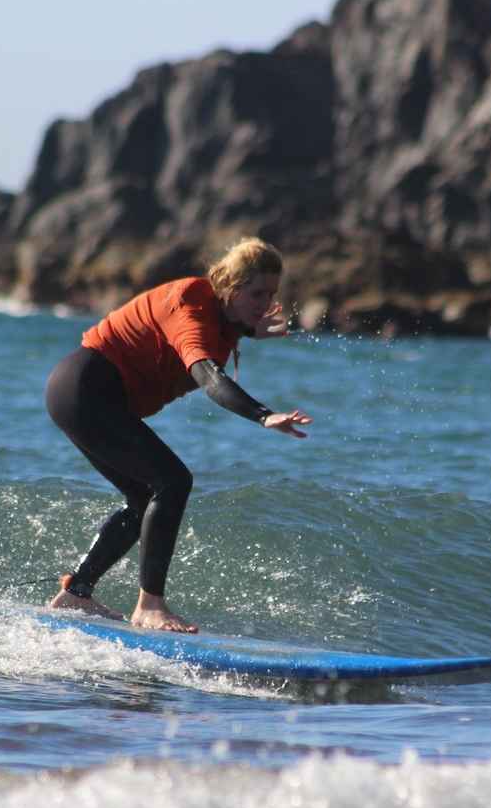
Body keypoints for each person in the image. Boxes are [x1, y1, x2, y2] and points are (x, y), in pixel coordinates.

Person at [44, 237, 312, 633]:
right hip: (85, 389)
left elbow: (221, 329)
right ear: (231, 286)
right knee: (172, 481)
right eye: (257, 293)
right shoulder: (190, 304)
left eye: (271, 294)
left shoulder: (223, 318)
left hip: (84, 394)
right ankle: (150, 606)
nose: (266, 303)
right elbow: (209, 378)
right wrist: (263, 415)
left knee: (144, 497)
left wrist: (250, 330)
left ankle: (76, 594)